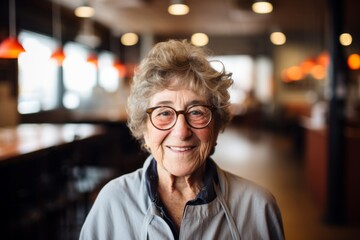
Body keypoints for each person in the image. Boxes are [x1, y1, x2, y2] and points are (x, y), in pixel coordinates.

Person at [79, 39, 284, 239]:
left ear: (216, 125)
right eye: (164, 113)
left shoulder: (257, 208)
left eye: (196, 112)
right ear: (145, 129)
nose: (181, 132)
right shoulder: (113, 203)